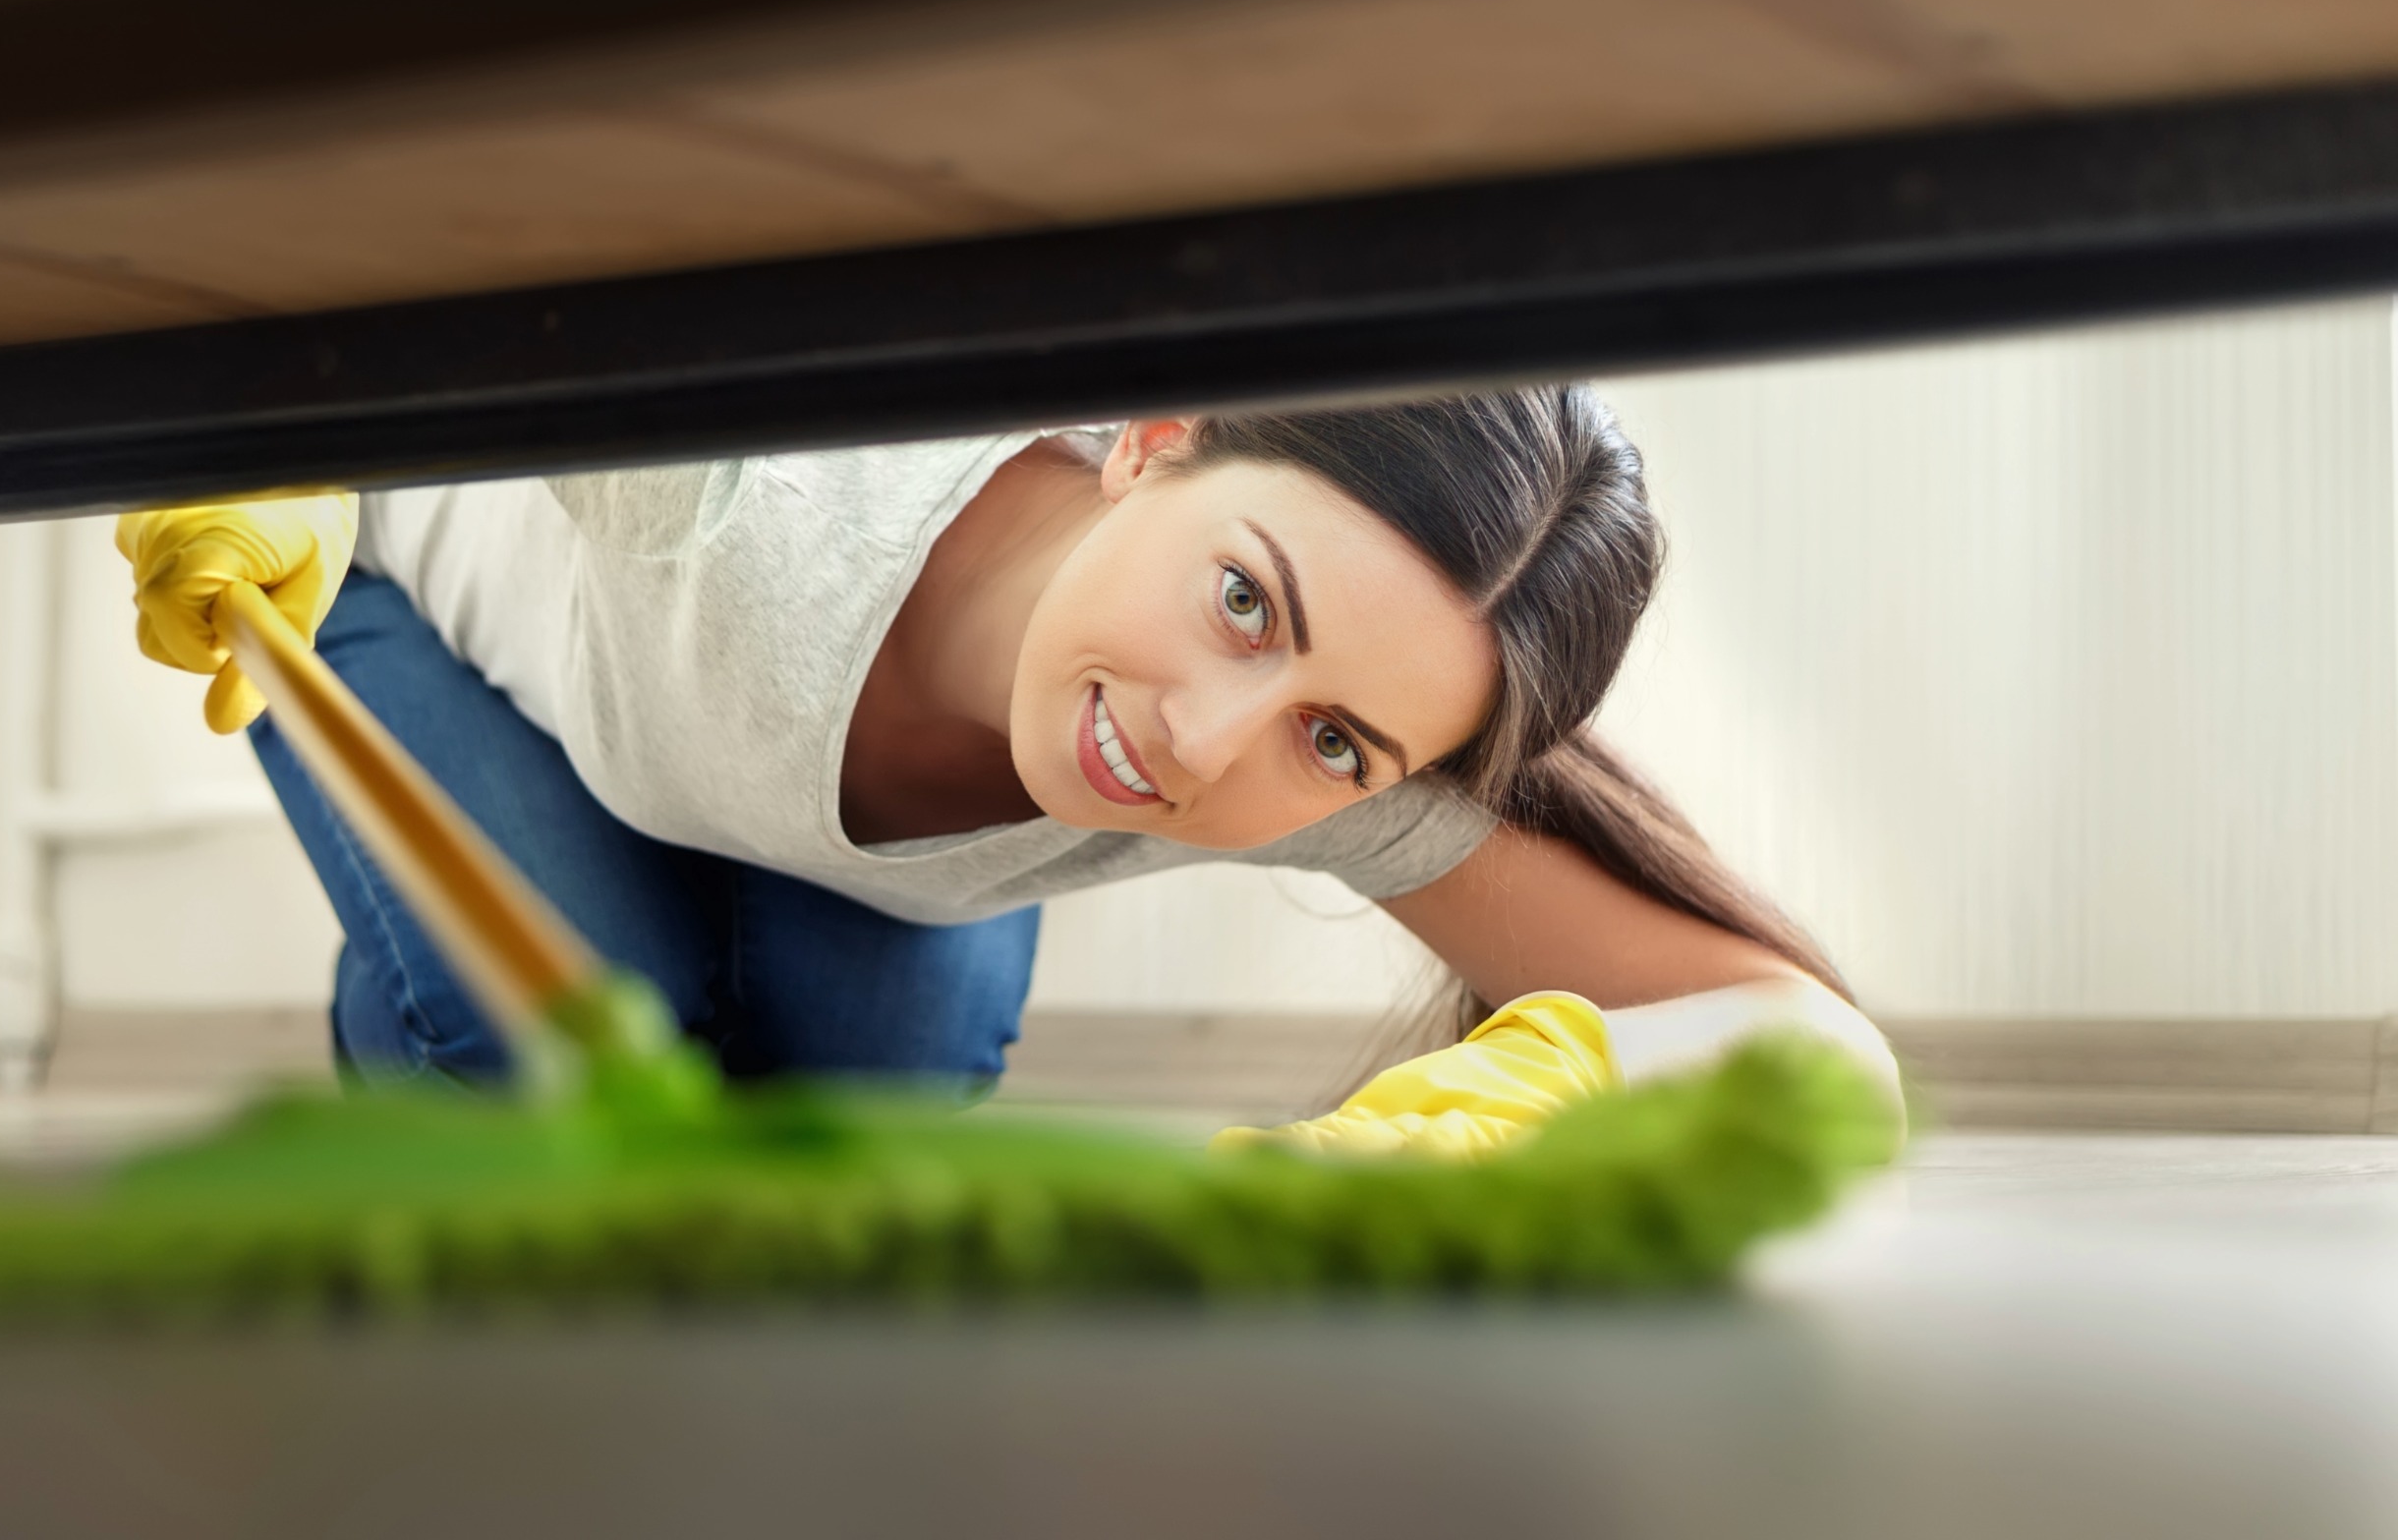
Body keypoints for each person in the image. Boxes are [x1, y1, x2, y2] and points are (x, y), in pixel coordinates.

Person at [117, 388, 1900, 1156]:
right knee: (560, 1064)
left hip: (755, 791)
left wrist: (1468, 1142)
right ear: (1154, 438)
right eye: (1239, 599)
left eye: (1335, 738)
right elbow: (440, 200)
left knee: (852, 1120)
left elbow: (1811, 1048)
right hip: (390, 582)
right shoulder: (762, 490)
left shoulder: (1328, 765)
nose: (1206, 740)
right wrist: (270, 447)